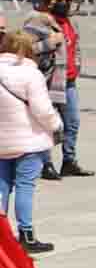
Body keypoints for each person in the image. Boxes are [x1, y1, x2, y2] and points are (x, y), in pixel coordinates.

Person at [0, 20, 57, 250]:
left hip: (2, 142)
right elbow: (42, 110)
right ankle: (27, 235)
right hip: (29, 141)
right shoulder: (31, 75)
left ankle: (3, 236)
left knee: (2, 186)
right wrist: (55, 124)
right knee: (25, 186)